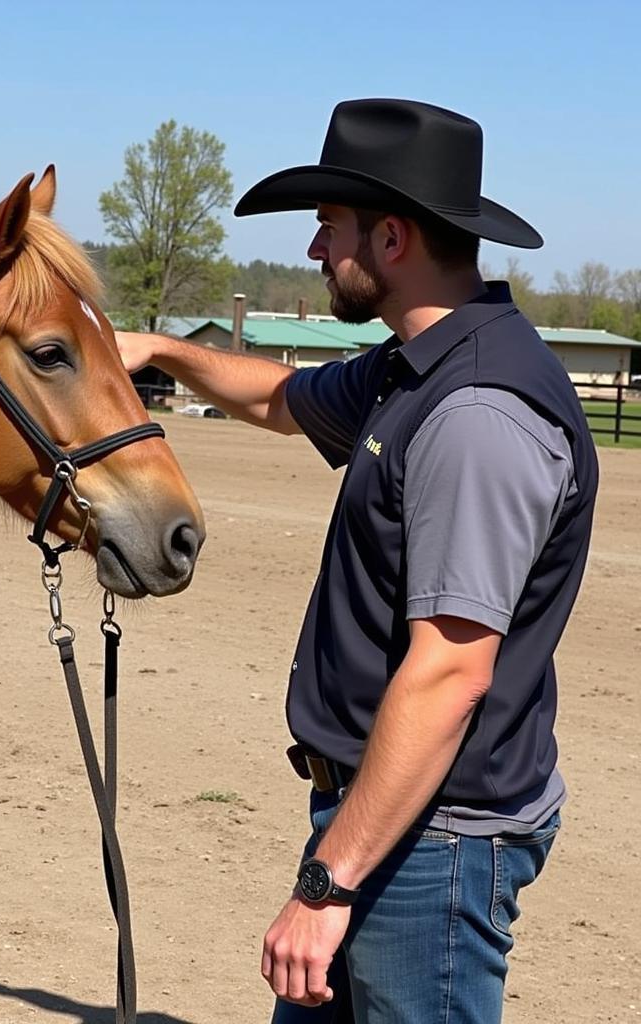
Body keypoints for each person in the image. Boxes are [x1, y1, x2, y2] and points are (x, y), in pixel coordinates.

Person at [115, 98, 598, 1023]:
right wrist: (160, 352)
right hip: (384, 823)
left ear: (391, 237)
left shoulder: (476, 414)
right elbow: (283, 399)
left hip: (432, 842)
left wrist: (327, 888)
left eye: (327, 226)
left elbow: (452, 669)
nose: (311, 251)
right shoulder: (409, 368)